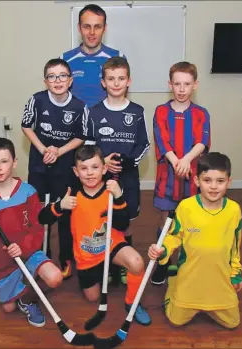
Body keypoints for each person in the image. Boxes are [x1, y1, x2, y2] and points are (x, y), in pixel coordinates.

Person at [38, 145, 151, 326]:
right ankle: (103, 274)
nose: (90, 173)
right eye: (84, 168)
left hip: (112, 245)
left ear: (104, 168)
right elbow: (42, 218)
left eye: (95, 167)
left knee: (137, 262)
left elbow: (123, 225)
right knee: (92, 298)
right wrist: (60, 206)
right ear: (76, 171)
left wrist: (119, 197)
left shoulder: (111, 190)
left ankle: (132, 303)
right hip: (87, 256)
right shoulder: (72, 195)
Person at [0, 138, 63, 328]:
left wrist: (22, 248)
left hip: (29, 253)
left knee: (55, 277)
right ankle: (19, 294)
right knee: (8, 308)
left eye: (4, 161)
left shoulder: (28, 192)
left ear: (14, 162)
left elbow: (38, 229)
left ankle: (28, 299)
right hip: (1, 262)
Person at [148, 152, 242, 329]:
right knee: (175, 321)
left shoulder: (234, 210)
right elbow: (173, 236)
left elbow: (235, 246)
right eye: (207, 180)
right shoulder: (186, 207)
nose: (213, 187)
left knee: (233, 323)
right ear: (197, 181)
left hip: (219, 280)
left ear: (229, 182)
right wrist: (164, 251)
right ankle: (174, 283)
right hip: (190, 280)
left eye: (220, 181)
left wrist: (236, 273)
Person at [21, 58, 89, 279]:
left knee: (64, 212)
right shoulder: (36, 100)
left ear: (70, 81)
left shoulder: (80, 106)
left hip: (64, 166)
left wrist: (58, 152)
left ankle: (65, 257)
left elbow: (81, 136)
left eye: (62, 76)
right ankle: (40, 255)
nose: (57, 80)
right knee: (38, 211)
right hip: (40, 164)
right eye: (52, 76)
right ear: (45, 81)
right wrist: (44, 150)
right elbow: (26, 126)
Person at [87, 56, 150, 285]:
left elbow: (143, 144)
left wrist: (128, 162)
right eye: (111, 79)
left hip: (128, 177)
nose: (116, 83)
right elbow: (87, 145)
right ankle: (106, 261)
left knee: (127, 219)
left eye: (121, 78)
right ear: (103, 82)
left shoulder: (137, 111)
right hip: (100, 179)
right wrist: (103, 163)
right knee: (103, 219)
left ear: (129, 81)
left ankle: (124, 263)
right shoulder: (93, 112)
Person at [151, 61, 211, 285]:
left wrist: (186, 160)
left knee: (190, 221)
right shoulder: (161, 111)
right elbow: (162, 140)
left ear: (195, 85)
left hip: (192, 176)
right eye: (177, 83)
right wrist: (176, 161)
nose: (182, 89)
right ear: (170, 85)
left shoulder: (201, 113)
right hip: (168, 175)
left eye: (187, 83)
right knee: (166, 221)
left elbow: (202, 142)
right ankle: (163, 263)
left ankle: (187, 263)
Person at [62, 4, 125, 107]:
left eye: (97, 27)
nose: (92, 32)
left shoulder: (118, 58)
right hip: (75, 122)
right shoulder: (65, 60)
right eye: (87, 26)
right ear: (79, 28)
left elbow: (121, 100)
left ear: (104, 28)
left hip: (107, 122)